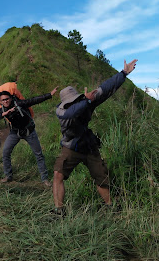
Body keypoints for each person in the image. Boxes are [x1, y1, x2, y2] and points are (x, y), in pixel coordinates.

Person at [52, 59, 138, 216]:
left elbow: (105, 88)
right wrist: (87, 101)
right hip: (71, 146)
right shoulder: (62, 112)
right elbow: (72, 113)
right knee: (58, 173)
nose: (74, 103)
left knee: (101, 177)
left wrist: (123, 73)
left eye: (76, 100)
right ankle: (59, 210)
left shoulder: (87, 101)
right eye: (71, 102)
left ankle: (110, 206)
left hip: (89, 145)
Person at [0, 86, 58, 186]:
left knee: (38, 154)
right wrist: (3, 114)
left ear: (11, 98)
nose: (5, 101)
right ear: (0, 102)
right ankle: (8, 176)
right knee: (5, 152)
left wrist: (49, 95)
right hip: (15, 132)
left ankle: (45, 179)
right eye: (3, 100)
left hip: (29, 131)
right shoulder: (3, 110)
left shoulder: (19, 104)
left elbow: (33, 100)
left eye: (7, 99)